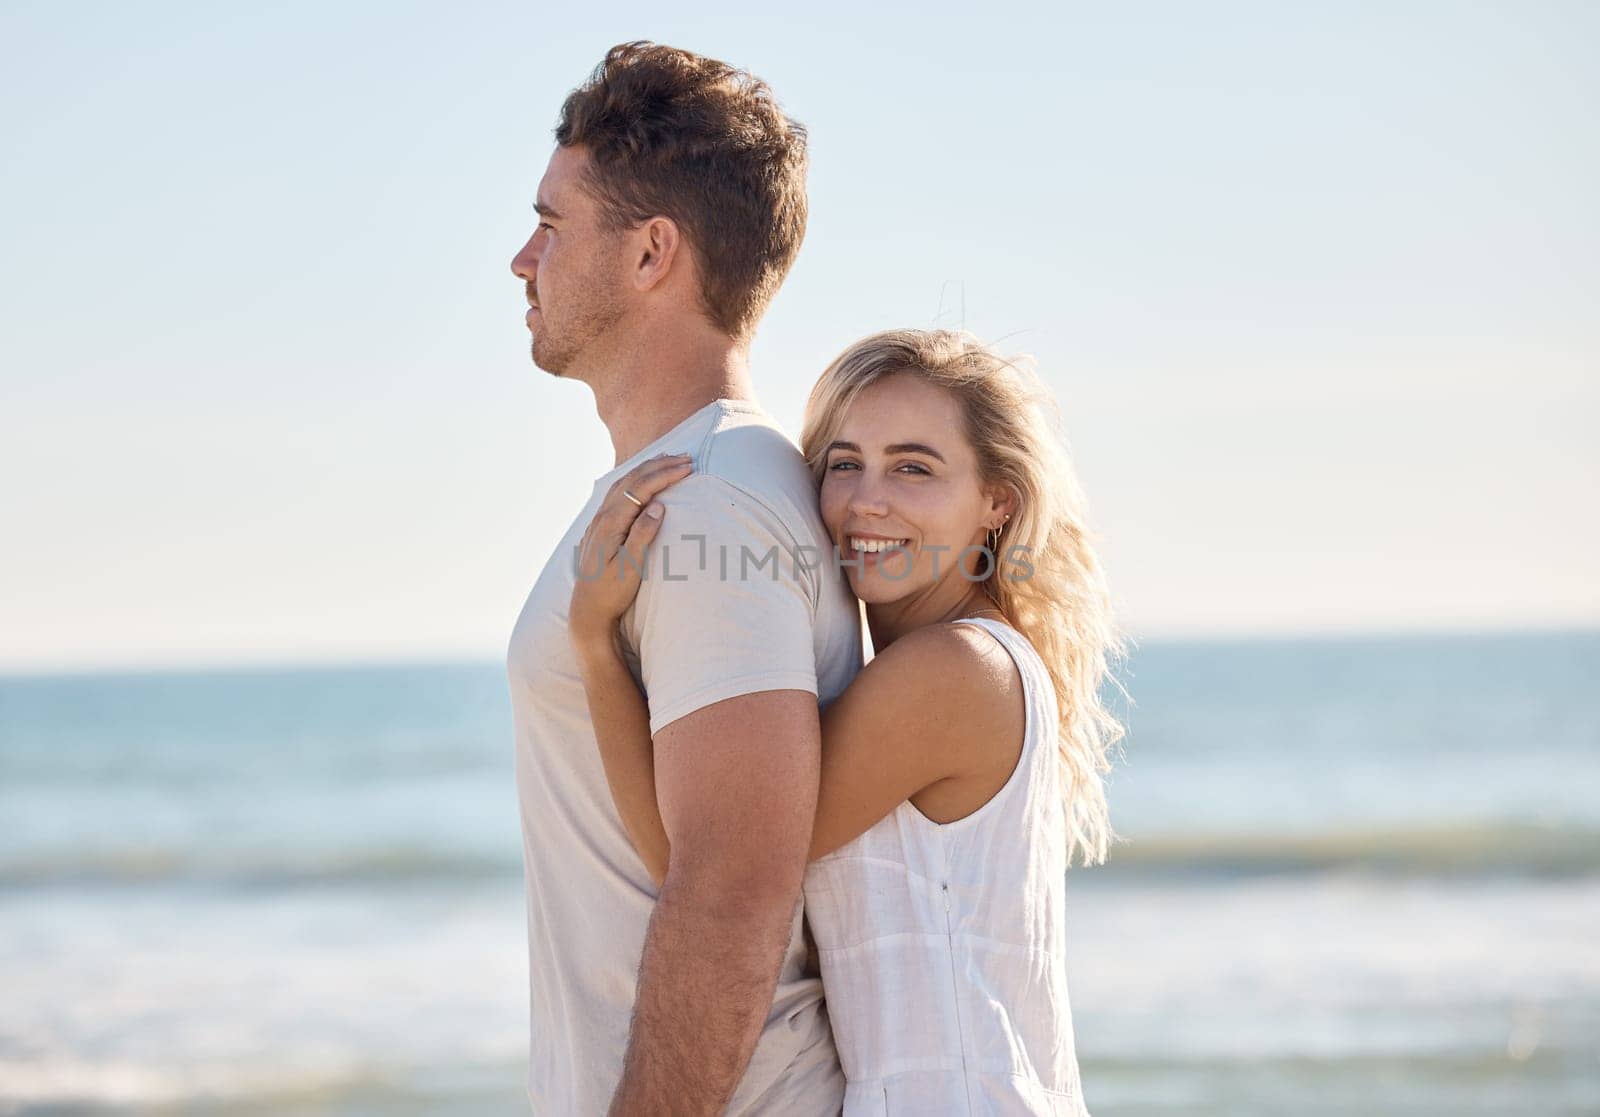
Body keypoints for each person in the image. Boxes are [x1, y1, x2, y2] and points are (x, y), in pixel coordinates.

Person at [570, 329, 1125, 1115]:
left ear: (997, 500)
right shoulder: (961, 666)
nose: (868, 499)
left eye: (913, 467)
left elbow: (699, 867)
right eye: (843, 463)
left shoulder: (955, 674)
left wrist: (594, 646)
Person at [505, 42, 860, 1114]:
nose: (523, 259)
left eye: (553, 224)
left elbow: (731, 885)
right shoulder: (691, 481)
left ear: (652, 253)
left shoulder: (706, 501)